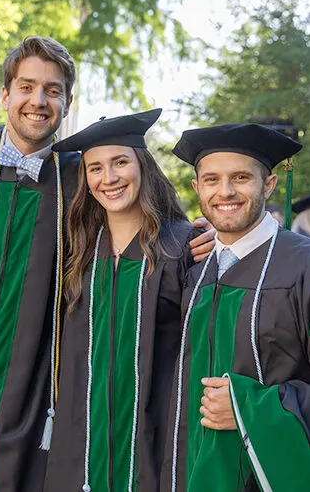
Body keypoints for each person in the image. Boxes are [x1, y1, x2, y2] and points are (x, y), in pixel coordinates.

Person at [0, 37, 214, 492]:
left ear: (67, 102)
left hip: (27, 391)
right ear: (6, 95)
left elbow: (139, 214)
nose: (38, 101)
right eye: (26, 87)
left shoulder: (78, 175)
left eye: (53, 90)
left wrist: (205, 231)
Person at [43, 110, 200, 491]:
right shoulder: (78, 251)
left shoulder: (183, 247)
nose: (108, 178)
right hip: (79, 441)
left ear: (142, 166)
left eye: (120, 162)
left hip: (154, 437)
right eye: (95, 168)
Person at [162, 123, 310, 492]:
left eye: (241, 177)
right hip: (192, 472)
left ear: (270, 184)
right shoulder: (196, 274)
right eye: (211, 179)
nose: (225, 191)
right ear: (198, 189)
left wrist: (251, 410)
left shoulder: (304, 266)